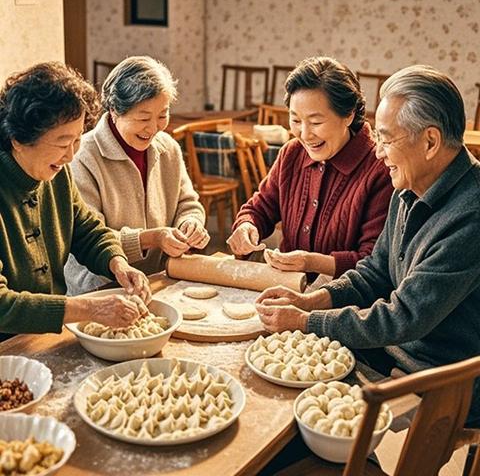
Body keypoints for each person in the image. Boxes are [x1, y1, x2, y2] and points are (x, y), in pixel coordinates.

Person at [256, 65, 480, 426]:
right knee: (279, 402)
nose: (378, 153)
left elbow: (404, 316)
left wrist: (307, 321)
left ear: (431, 142)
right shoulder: (408, 185)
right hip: (390, 357)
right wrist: (310, 300)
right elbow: (374, 272)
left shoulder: (471, 215)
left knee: (302, 429)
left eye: (387, 140)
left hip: (441, 385)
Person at [0, 61, 152, 336]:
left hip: (41, 338)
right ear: (18, 140)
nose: (71, 155)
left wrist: (117, 262)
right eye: (61, 143)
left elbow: (85, 230)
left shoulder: (56, 173)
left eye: (78, 140)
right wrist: (90, 309)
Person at [227, 56, 392, 281]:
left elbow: (373, 262)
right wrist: (248, 226)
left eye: (315, 123)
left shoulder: (380, 169)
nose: (304, 134)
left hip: (344, 305)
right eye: (295, 120)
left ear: (348, 115)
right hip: (286, 291)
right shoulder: (292, 153)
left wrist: (311, 262)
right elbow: (260, 207)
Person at [64, 56, 209, 295]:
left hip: (159, 282)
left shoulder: (168, 148)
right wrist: (152, 238)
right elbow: (87, 238)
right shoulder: (83, 156)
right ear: (114, 111)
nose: (153, 128)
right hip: (100, 289)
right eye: (143, 118)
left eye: (163, 115)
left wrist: (190, 223)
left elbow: (187, 203)